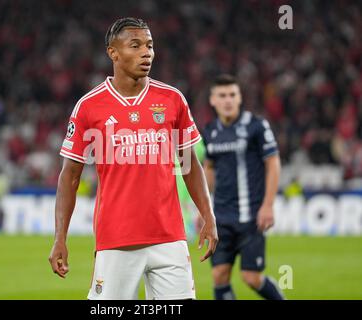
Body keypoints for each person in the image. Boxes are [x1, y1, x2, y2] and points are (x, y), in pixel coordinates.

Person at [48, 17, 218, 300]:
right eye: (135, 45)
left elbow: (190, 166)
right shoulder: (89, 107)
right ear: (113, 53)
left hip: (170, 238)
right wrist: (59, 238)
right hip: (117, 239)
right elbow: (70, 176)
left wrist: (208, 216)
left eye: (150, 46)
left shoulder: (172, 99)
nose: (146, 53)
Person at [202, 74, 284, 300]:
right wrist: (204, 209)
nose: (227, 100)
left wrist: (268, 205)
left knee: (251, 277)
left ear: (239, 98)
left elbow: (273, 163)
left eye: (232, 95)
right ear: (213, 100)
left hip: (250, 217)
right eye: (222, 95)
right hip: (221, 218)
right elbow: (209, 168)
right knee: (219, 275)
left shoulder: (256, 126)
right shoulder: (210, 131)